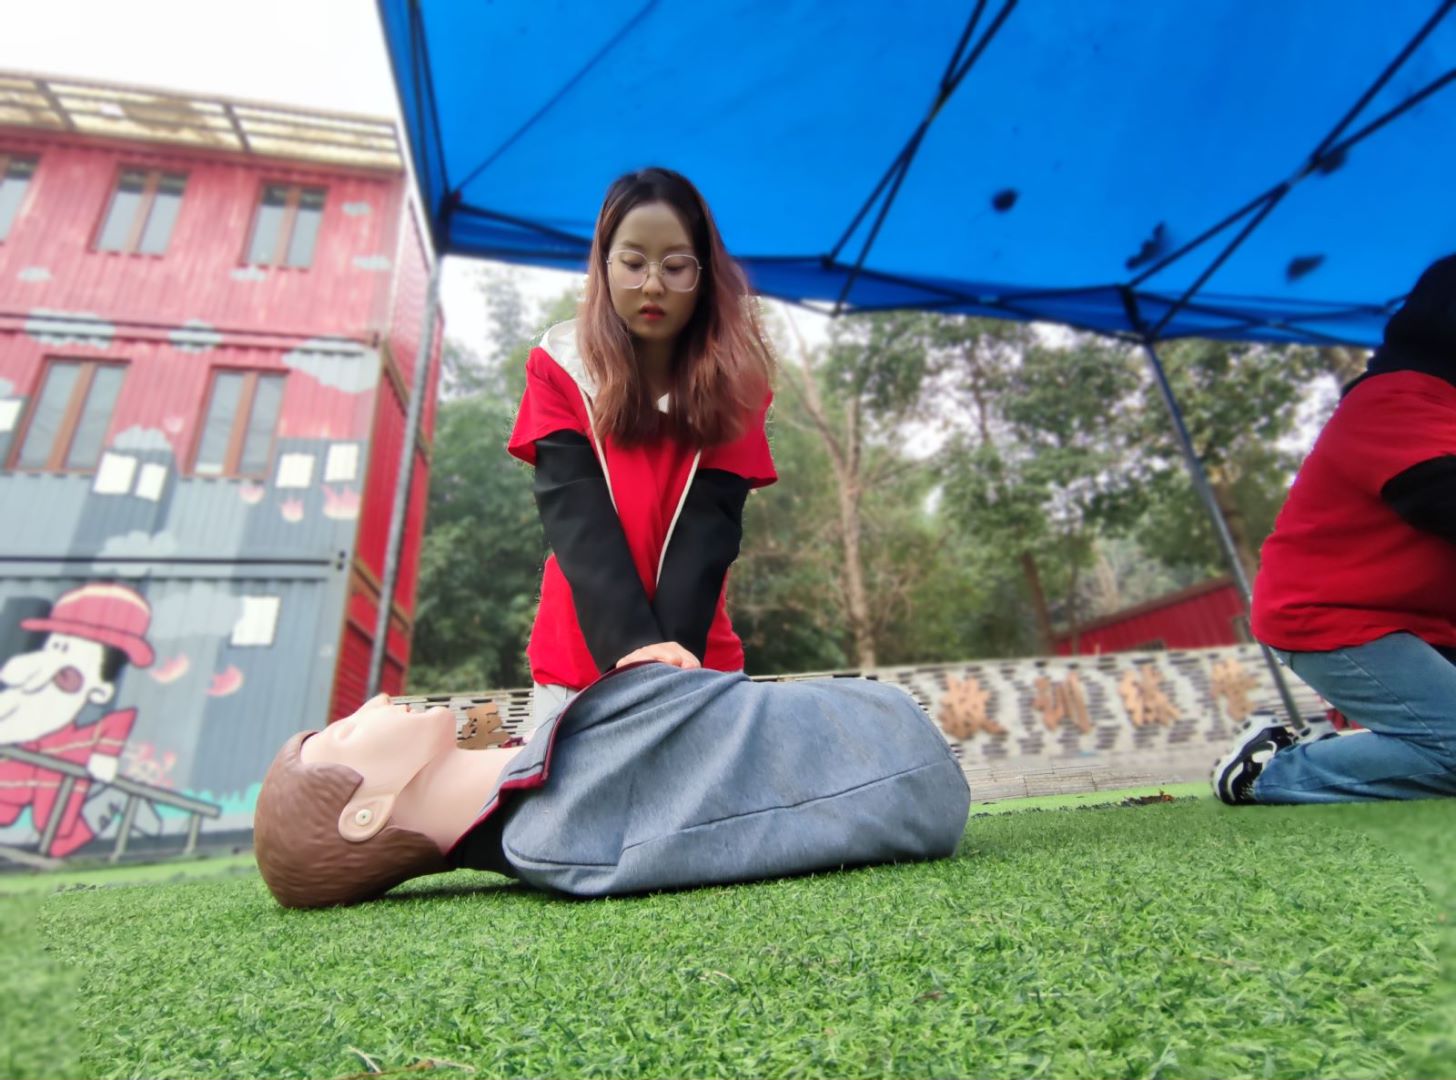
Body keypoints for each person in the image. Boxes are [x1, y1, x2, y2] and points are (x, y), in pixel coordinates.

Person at [253, 663, 971, 908]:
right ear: (364, 815)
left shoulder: (539, 780)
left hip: (878, 727)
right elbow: (751, 821)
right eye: (343, 733)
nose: (374, 702)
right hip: (895, 758)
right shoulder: (555, 835)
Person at [507, 168, 776, 734]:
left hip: (696, 664)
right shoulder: (558, 366)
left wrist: (663, 668)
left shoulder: (740, 386)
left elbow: (708, 531)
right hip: (575, 667)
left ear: (704, 275)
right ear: (603, 265)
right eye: (633, 263)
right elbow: (575, 513)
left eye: (676, 267)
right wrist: (632, 648)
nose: (653, 284)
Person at [1213, 254, 1456, 805]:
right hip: (1333, 619)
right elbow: (1442, 501)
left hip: (1425, 622)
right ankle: (1267, 773)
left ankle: (1379, 748)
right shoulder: (1395, 401)